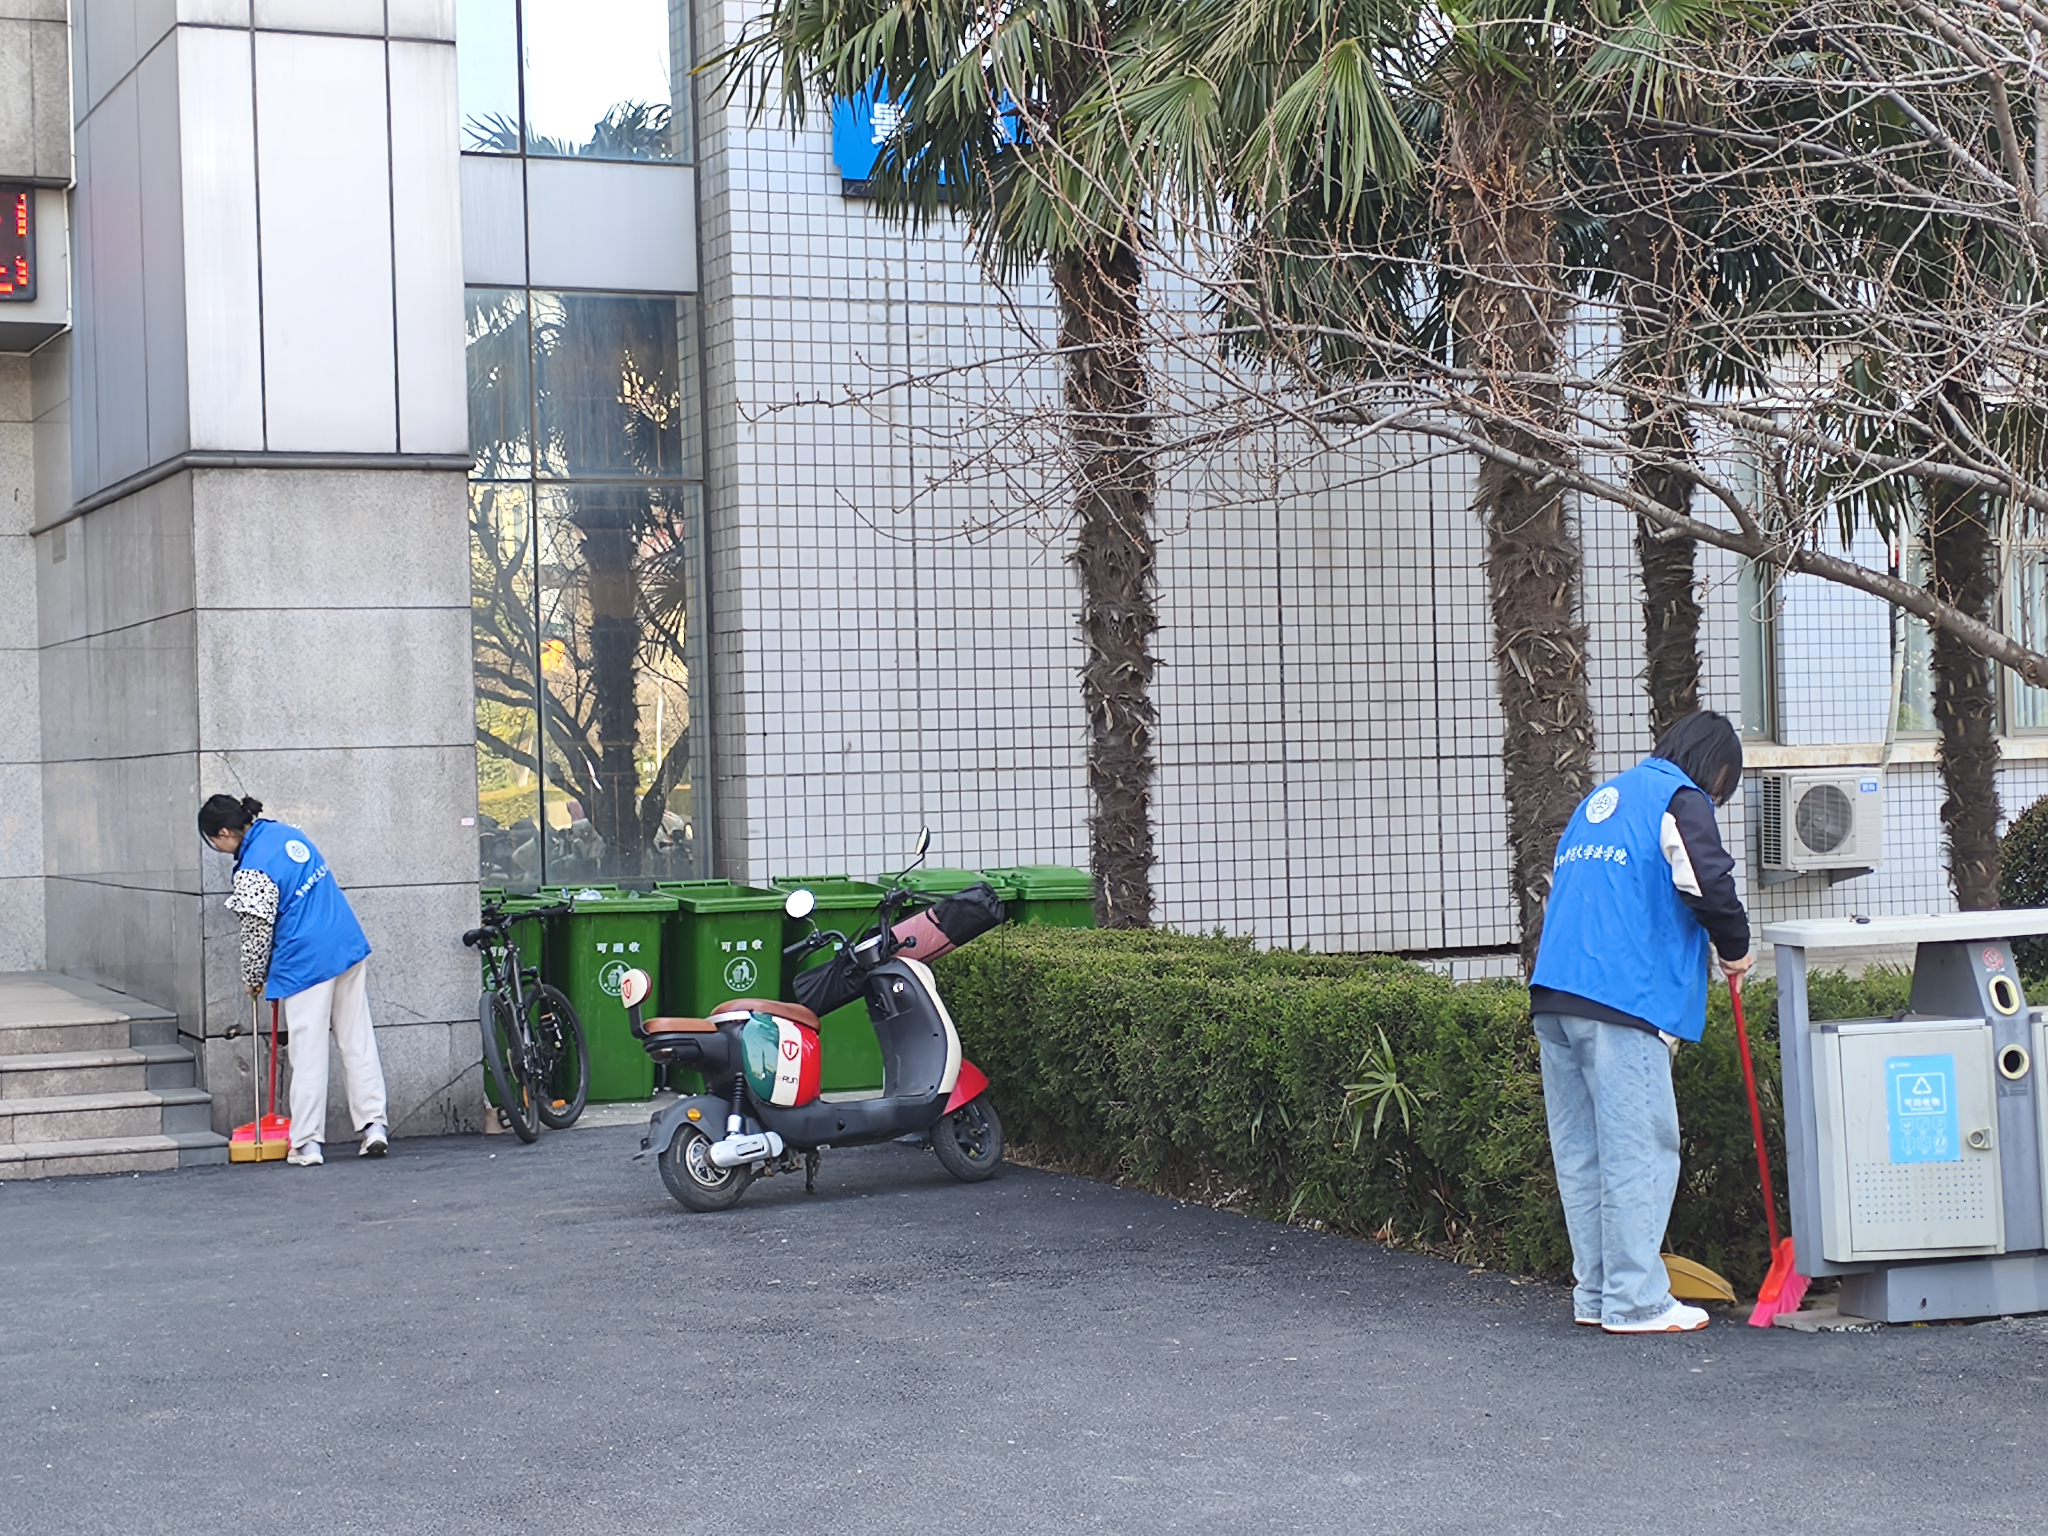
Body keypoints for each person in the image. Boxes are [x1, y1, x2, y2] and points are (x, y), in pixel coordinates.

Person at [1529, 711, 1754, 1334]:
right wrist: (1735, 946)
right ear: (1715, 766)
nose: (1717, 796)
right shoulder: (1679, 798)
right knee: (1639, 1150)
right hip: (1623, 996)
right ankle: (1636, 1302)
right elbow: (1706, 879)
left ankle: (1597, 1293)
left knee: (1584, 1152)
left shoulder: (1603, 799)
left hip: (1557, 991)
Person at [198, 794, 389, 1166]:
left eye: (213, 841)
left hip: (305, 960)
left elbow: (256, 932)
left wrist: (253, 977)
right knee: (357, 1041)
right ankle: (374, 1126)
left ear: (225, 832)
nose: (216, 848)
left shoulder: (252, 868)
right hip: (344, 943)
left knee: (308, 1051)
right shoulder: (288, 834)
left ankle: (306, 1143)